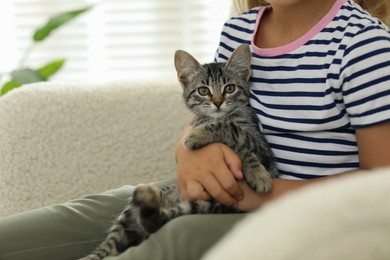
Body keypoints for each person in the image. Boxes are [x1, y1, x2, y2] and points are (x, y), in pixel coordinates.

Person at [0, 0, 389, 259]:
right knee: (92, 212)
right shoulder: (239, 31)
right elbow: (206, 115)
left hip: (293, 216)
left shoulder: (364, 45)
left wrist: (251, 198)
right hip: (215, 191)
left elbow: (382, 192)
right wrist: (186, 151)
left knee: (175, 241)